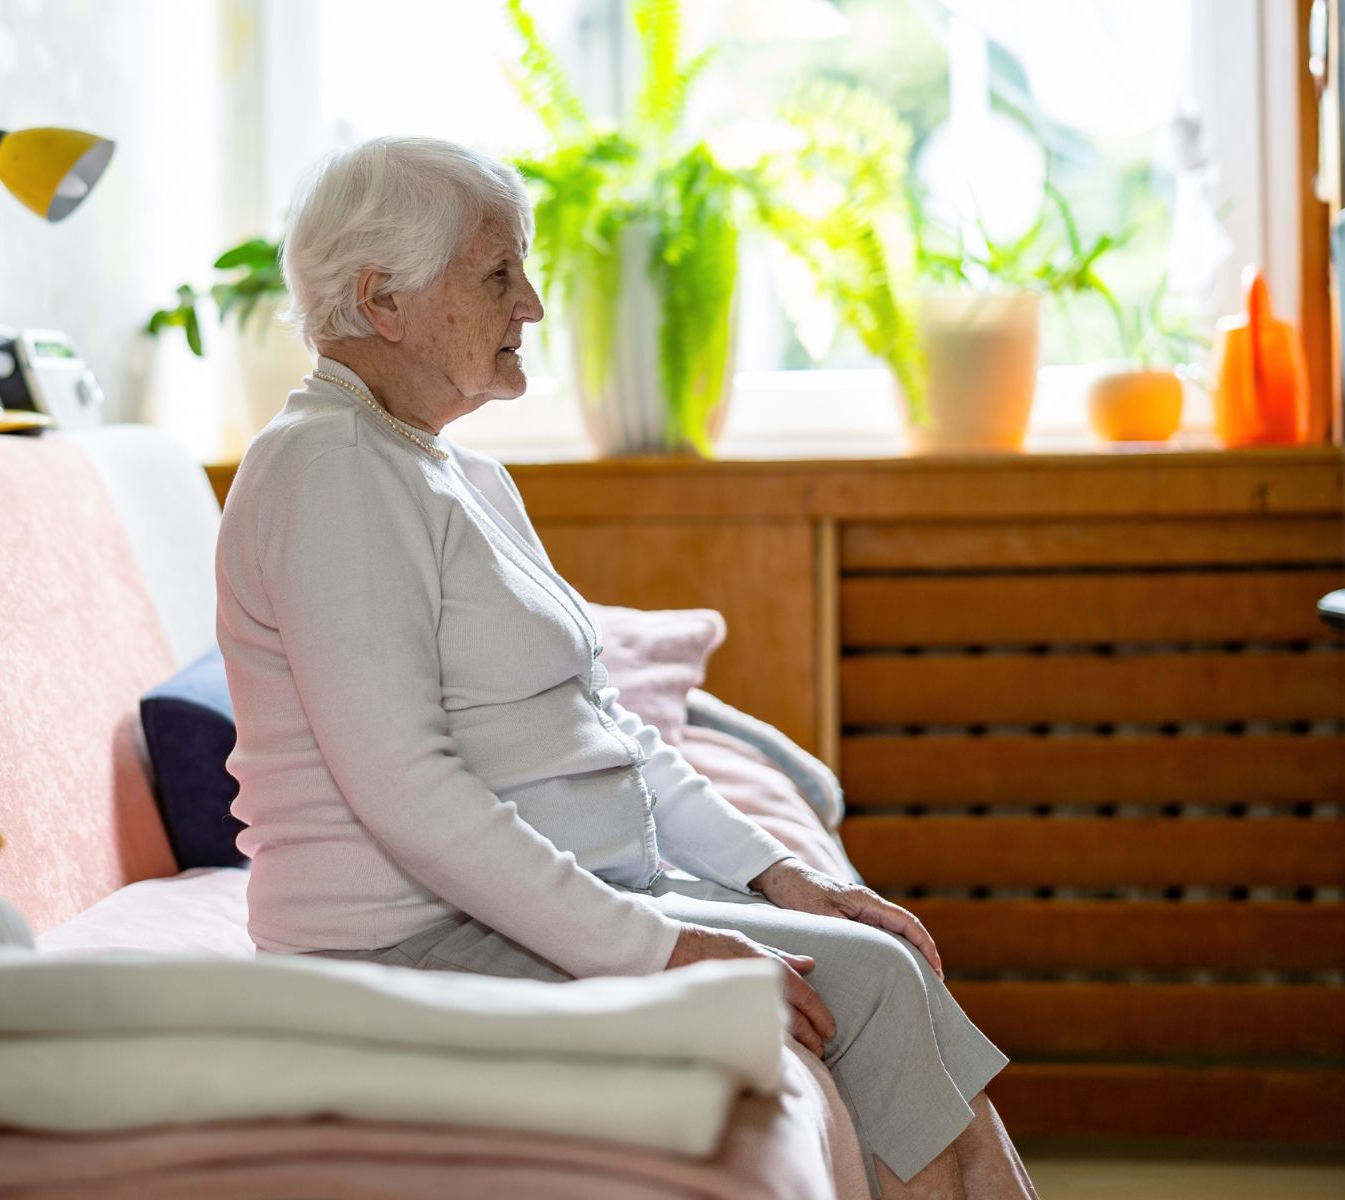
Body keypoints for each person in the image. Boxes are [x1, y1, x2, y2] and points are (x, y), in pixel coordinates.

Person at [215, 135, 1036, 1198]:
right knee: (870, 983)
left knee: (883, 960)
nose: (535, 306)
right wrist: (664, 950)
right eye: (498, 273)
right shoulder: (325, 467)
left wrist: (781, 872)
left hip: (553, 896)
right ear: (384, 301)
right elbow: (405, 793)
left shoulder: (452, 470)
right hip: (402, 944)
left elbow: (608, 727)